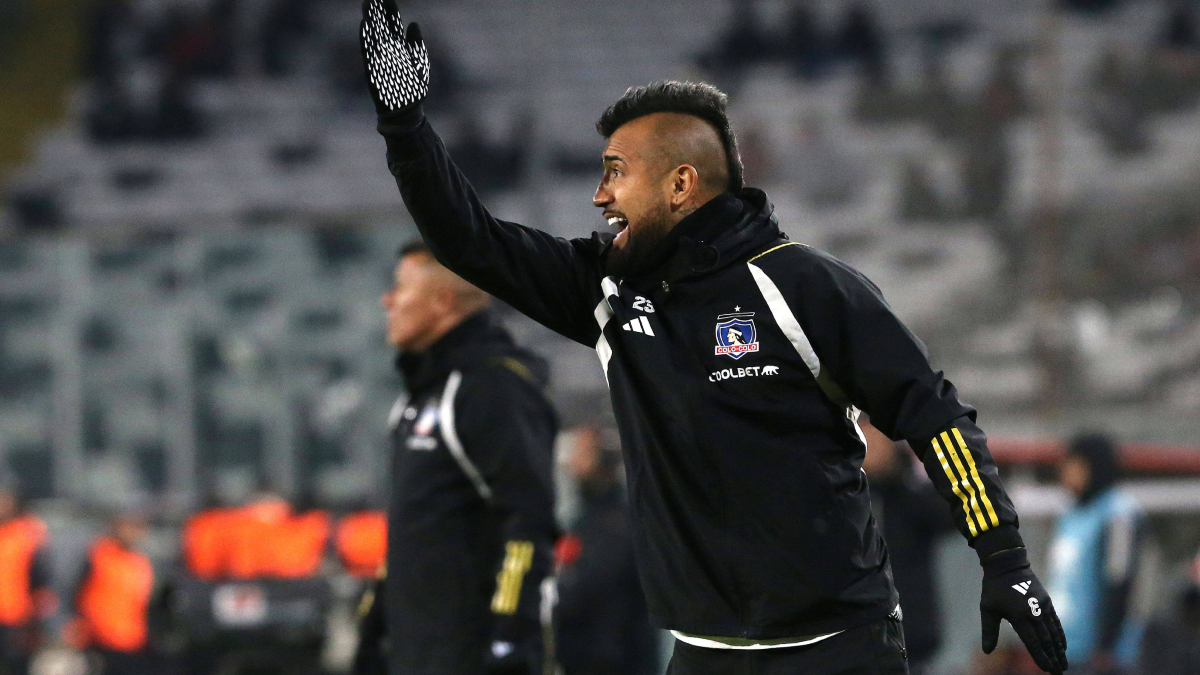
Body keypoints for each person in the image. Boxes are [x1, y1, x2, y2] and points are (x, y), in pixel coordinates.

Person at [359, 5, 1068, 673]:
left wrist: (1004, 556)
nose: (599, 196)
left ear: (680, 183)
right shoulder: (605, 289)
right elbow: (469, 241)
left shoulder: (806, 287)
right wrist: (405, 127)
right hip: (702, 653)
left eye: (615, 172)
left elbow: (934, 414)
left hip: (839, 649)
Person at [357, 241, 558, 675]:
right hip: (418, 653)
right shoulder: (424, 393)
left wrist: (510, 635)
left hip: (471, 653)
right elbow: (414, 525)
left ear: (442, 302)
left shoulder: (493, 388)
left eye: (400, 288)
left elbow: (528, 520)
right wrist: (375, 620)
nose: (387, 301)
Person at [554, 425, 660, 675]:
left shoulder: (617, 524)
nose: (571, 464)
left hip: (615, 661)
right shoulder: (586, 520)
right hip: (590, 657)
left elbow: (589, 587)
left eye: (581, 454)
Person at [860, 417, 954, 674]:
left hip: (910, 635)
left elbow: (950, 515)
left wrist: (900, 469)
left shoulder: (908, 497)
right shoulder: (841, 497)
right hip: (851, 637)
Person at [1046, 433, 1143, 674]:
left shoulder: (1119, 515)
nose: (1064, 473)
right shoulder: (1071, 514)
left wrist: (1104, 647)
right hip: (1067, 649)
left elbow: (1118, 581)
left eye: (1073, 465)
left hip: (1098, 657)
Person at [68, 513, 154, 675]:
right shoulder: (97, 554)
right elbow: (74, 591)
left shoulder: (140, 561)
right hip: (99, 638)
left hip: (132, 639)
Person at [0, 487, 54, 675]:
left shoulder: (28, 532)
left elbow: (41, 576)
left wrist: (37, 617)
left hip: (17, 615)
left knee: (16, 664)